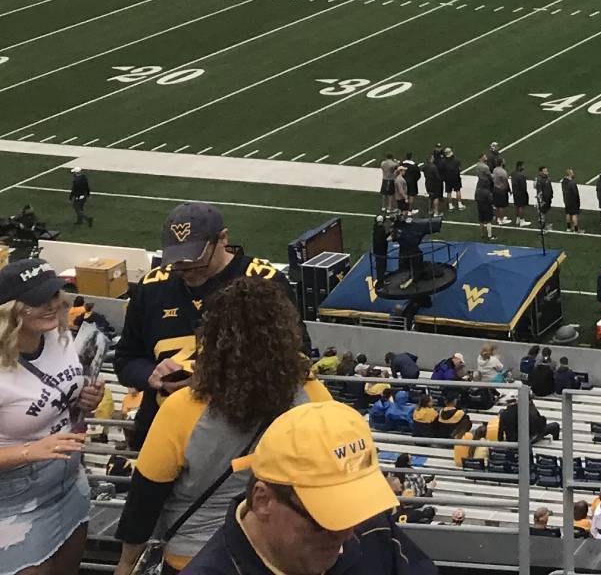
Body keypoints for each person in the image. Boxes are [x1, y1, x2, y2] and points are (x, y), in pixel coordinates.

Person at [116, 276, 333, 574]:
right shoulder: (314, 397)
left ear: (212, 336)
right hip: (278, 555)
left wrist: (127, 564)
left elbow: (144, 502)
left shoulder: (182, 409)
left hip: (193, 559)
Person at [117, 204, 295, 447]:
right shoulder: (151, 287)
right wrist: (151, 374)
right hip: (167, 431)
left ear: (223, 239)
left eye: (196, 261)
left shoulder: (264, 282)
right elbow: (126, 358)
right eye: (178, 263)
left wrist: (213, 380)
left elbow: (293, 357)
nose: (186, 271)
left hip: (240, 432)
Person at [175, 399, 398, 575]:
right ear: (263, 501)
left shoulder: (373, 529)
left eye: (355, 508)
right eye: (324, 520)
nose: (346, 535)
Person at [0, 257, 104, 575]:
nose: (51, 305)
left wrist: (87, 399)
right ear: (10, 308)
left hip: (69, 480)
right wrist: (31, 451)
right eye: (37, 300)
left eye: (54, 294)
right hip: (16, 495)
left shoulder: (59, 337)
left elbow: (59, 399)